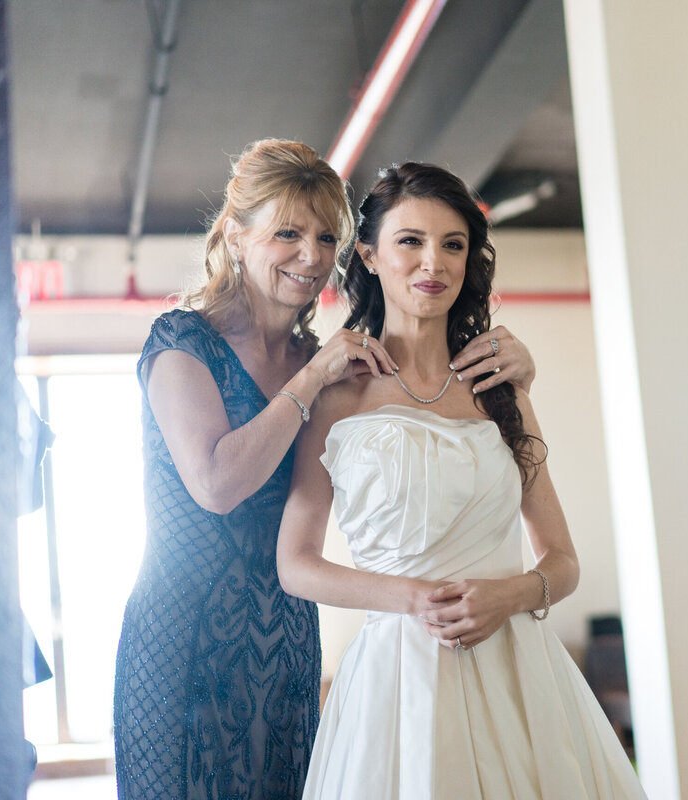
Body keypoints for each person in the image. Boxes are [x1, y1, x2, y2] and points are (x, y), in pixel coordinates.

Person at [112, 140, 537, 800]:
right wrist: (310, 380)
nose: (311, 257)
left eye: (324, 236)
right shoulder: (183, 343)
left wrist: (514, 378)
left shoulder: (326, 361)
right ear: (235, 232)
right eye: (288, 232)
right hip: (183, 643)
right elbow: (218, 485)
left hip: (285, 642)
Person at [276, 162, 646, 799]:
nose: (434, 263)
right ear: (368, 255)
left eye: (453, 244)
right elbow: (296, 564)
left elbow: (563, 561)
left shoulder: (502, 390)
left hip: (520, 673)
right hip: (397, 679)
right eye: (411, 241)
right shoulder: (338, 394)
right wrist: (411, 598)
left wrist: (512, 595)